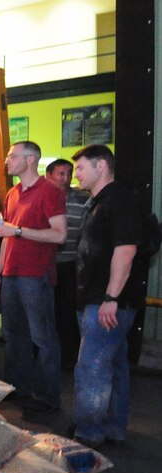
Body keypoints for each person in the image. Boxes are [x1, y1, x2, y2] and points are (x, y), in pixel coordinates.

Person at [70, 145, 143, 448]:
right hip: (99, 300)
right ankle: (113, 428)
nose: (76, 174)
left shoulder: (119, 201)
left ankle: (88, 434)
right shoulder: (98, 202)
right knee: (114, 365)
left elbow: (126, 252)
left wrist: (111, 298)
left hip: (107, 303)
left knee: (93, 367)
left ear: (101, 166)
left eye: (81, 168)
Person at [0, 141, 66, 416]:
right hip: (12, 274)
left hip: (35, 274)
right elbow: (6, 235)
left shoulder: (50, 191)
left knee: (42, 337)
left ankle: (47, 398)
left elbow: (59, 234)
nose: (7, 160)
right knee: (14, 336)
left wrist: (19, 231)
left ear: (31, 159)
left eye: (12, 156)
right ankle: (18, 388)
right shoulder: (12, 193)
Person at [46, 158, 90, 367]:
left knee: (68, 311)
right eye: (60, 174)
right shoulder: (43, 198)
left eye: (68, 174)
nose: (65, 178)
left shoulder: (81, 199)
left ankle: (69, 358)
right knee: (47, 311)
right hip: (47, 264)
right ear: (48, 175)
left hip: (72, 264)